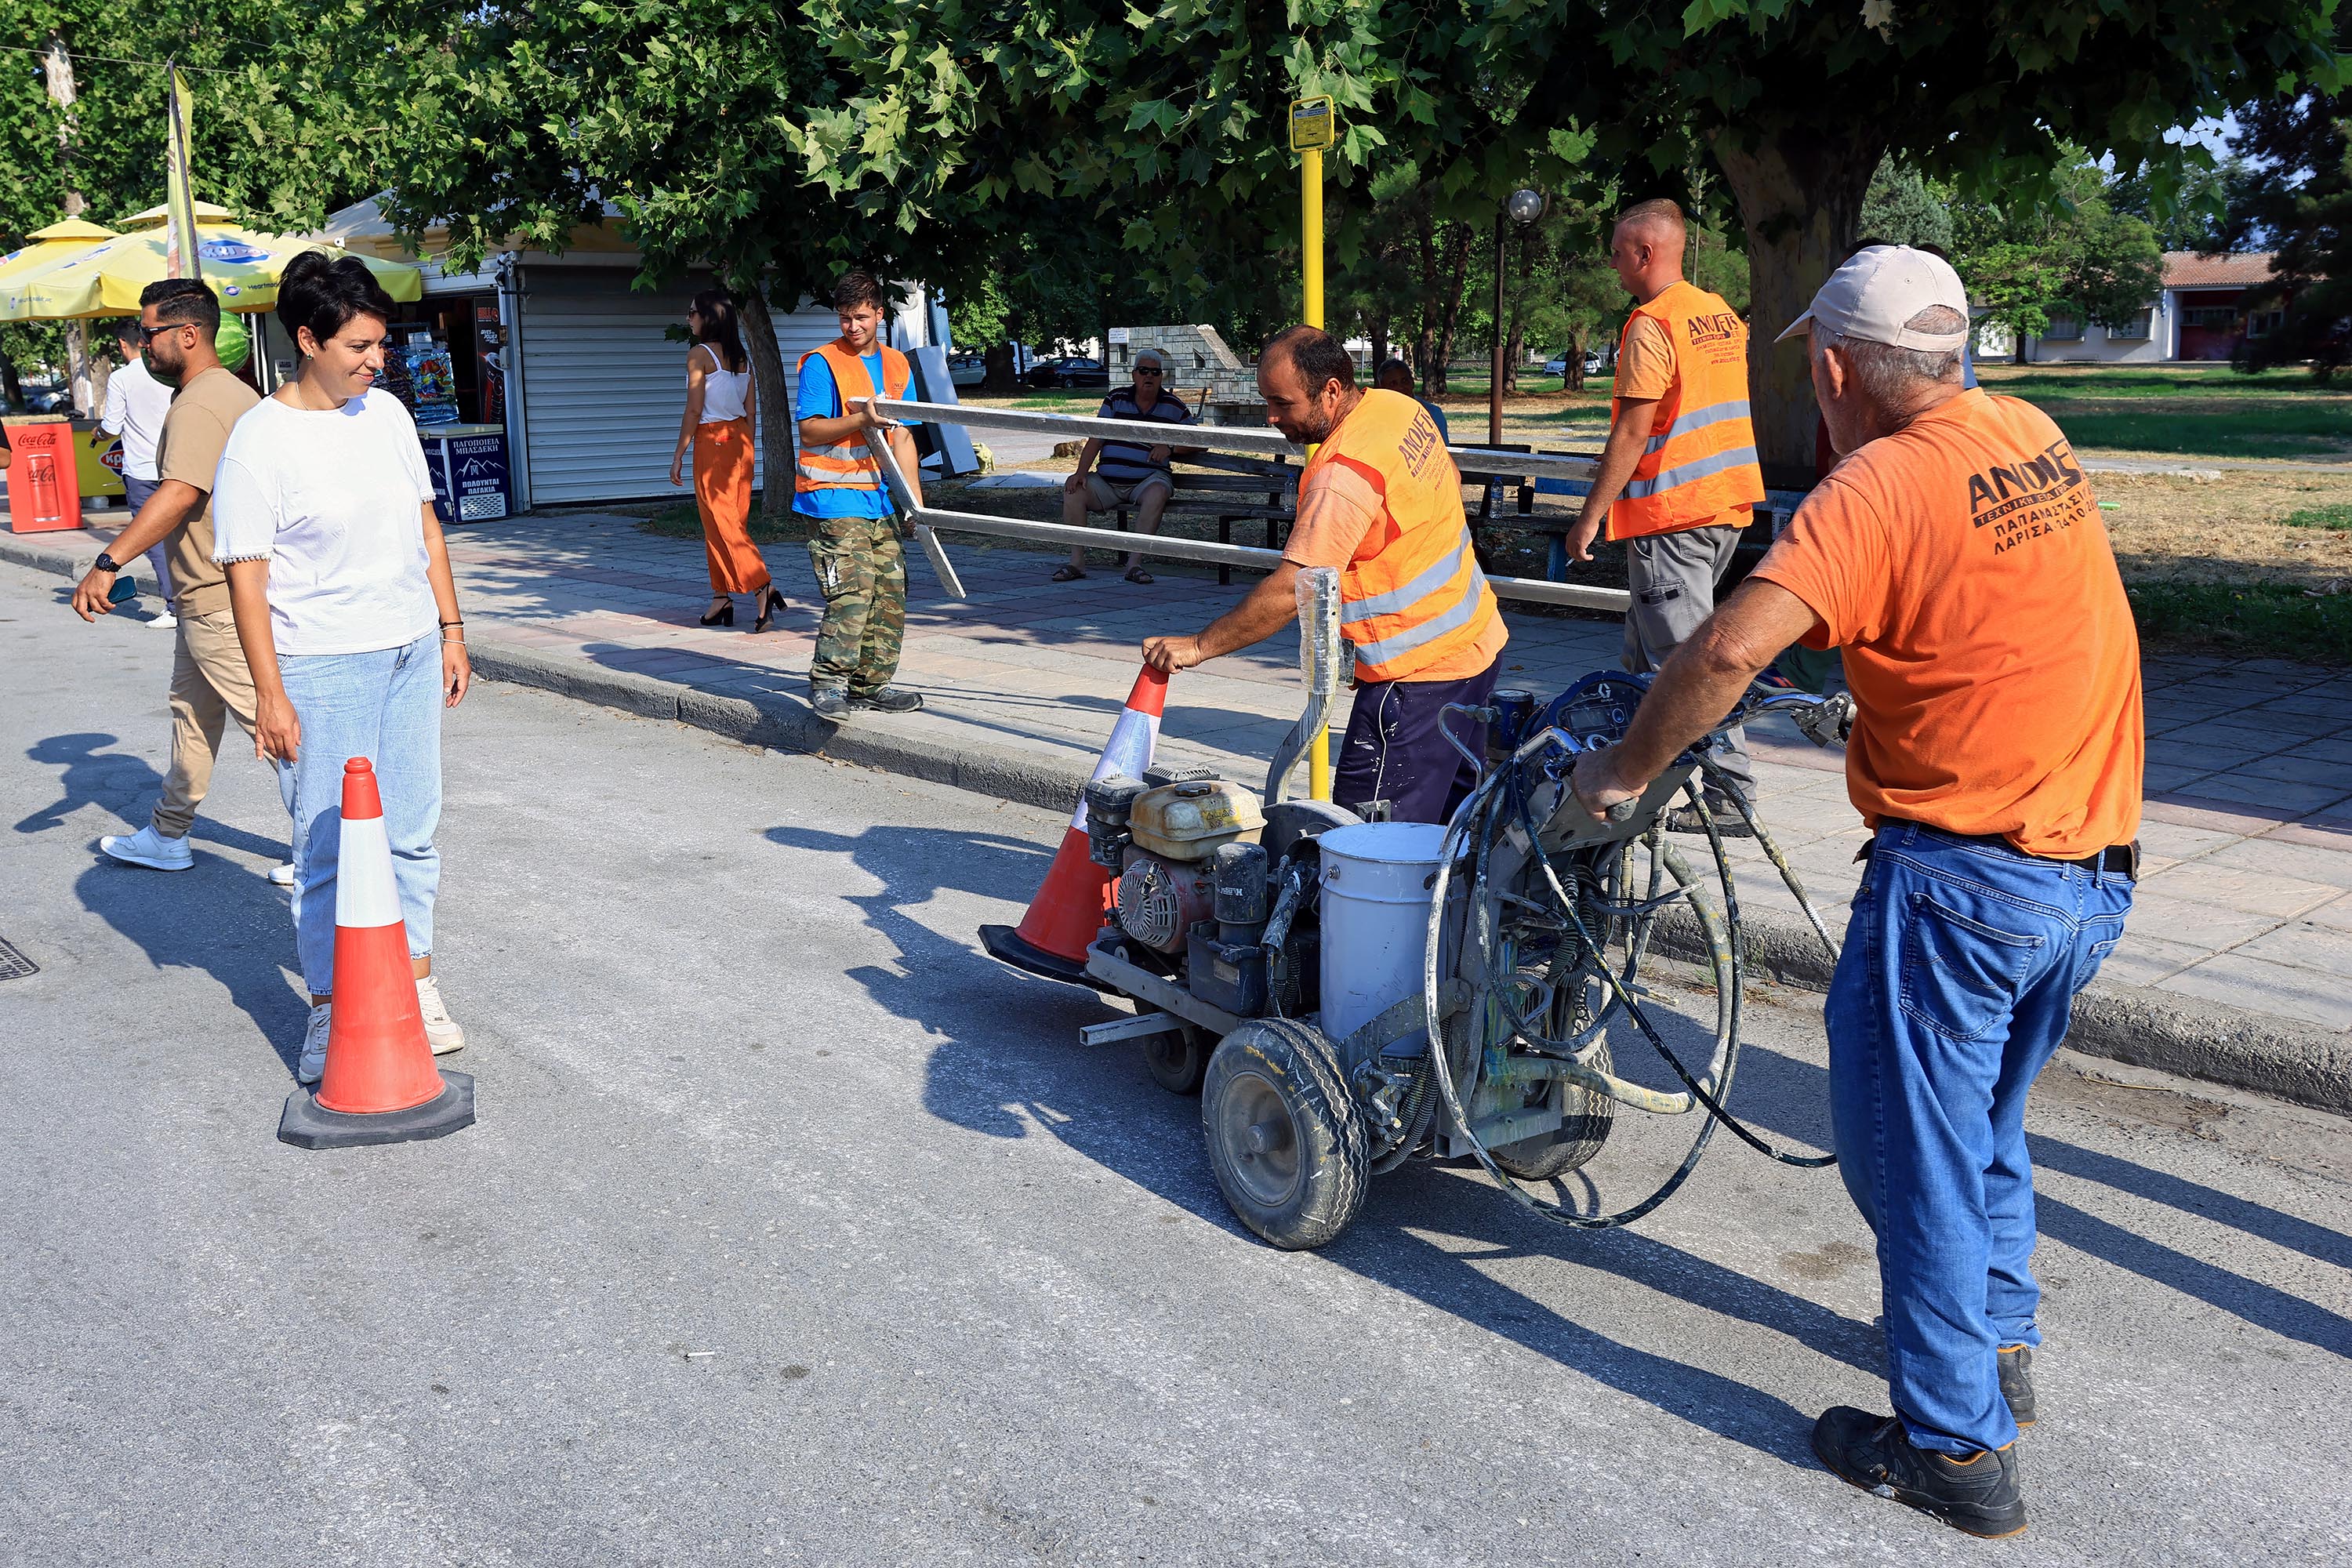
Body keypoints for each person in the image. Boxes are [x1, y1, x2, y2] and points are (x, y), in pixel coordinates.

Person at [1569, 246, 2142, 1541]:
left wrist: (1623, 771)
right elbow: (1967, 609)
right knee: (1983, 1124)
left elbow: (1727, 645)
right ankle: (1999, 1350)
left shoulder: (1873, 484)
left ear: (1833, 371)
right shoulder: (2030, 433)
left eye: (1813, 379)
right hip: (2087, 870)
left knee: (1914, 1159)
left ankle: (1955, 1449)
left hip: (1967, 884)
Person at [210, 252, 474, 1086]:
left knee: (412, 830)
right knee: (325, 847)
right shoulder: (261, 439)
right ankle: (329, 1008)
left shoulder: (388, 414)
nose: (375, 359)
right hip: (320, 664)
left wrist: (452, 629)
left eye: (380, 343)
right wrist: (270, 695)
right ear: (307, 339)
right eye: (358, 345)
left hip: (408, 649)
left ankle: (418, 985)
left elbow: (424, 526)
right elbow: (244, 572)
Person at [1142, 327, 1506, 824]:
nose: (1272, 418)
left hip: (1416, 681)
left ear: (1331, 390)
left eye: (1282, 404)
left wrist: (1200, 645)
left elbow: (1292, 588)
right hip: (1475, 644)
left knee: (1367, 853)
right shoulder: (1399, 409)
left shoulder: (1344, 474)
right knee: (1451, 834)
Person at [71, 280, 293, 888]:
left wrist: (108, 562)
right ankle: (168, 834)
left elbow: (179, 492)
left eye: (149, 335)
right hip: (210, 594)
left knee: (275, 726)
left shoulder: (197, 403)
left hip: (221, 598)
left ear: (187, 335)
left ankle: (329, 850)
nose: (142, 346)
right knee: (192, 715)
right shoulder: (234, 393)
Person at [1563, 198, 1766, 833]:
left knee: (1686, 665)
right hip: (1724, 506)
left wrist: (1589, 515)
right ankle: (1631, 770)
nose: (1615, 265)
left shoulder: (1652, 324)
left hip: (1672, 516)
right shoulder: (1719, 315)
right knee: (1643, 653)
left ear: (1645, 253)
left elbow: (1632, 431)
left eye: (1619, 253)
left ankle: (1731, 795)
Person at [793, 271, 925, 720]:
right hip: (831, 496)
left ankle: (871, 684)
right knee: (852, 590)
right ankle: (829, 684)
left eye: (862, 317)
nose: (852, 327)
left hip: (880, 499)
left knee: (890, 590)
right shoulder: (821, 363)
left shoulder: (897, 365)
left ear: (880, 315)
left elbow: (903, 438)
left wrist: (915, 506)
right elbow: (810, 430)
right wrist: (861, 421)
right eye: (845, 318)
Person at [668, 289, 786, 632]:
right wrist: (745, 443)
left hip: (713, 441)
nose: (688, 318)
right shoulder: (741, 357)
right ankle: (721, 596)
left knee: (722, 521)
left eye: (692, 313)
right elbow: (751, 410)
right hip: (740, 440)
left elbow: (694, 409)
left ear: (709, 317)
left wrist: (678, 454)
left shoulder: (699, 354)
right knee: (727, 520)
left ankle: (762, 584)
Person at [1054, 347, 1200, 584]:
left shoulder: (1174, 406)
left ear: (1162, 376)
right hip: (1107, 482)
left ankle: (1134, 565)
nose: (1149, 376)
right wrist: (1080, 473)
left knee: (1158, 492)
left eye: (1155, 372)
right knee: (1073, 490)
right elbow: (1096, 439)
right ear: (1134, 374)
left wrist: (1170, 448)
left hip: (1148, 480)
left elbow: (1200, 442)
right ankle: (1076, 563)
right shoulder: (1115, 399)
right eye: (1143, 371)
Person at [99, 316, 178, 627]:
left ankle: (174, 607)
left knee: (154, 540)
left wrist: (98, 434)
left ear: (122, 344)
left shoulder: (121, 378)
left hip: (142, 471)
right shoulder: (168, 374)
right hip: (177, 466)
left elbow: (111, 426)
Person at [1374, 357, 1450, 445]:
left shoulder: (1433, 413)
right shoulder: (1376, 418)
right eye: (1393, 384)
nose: (1400, 387)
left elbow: (1444, 451)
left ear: (1412, 382)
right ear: (1382, 388)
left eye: (1405, 381)